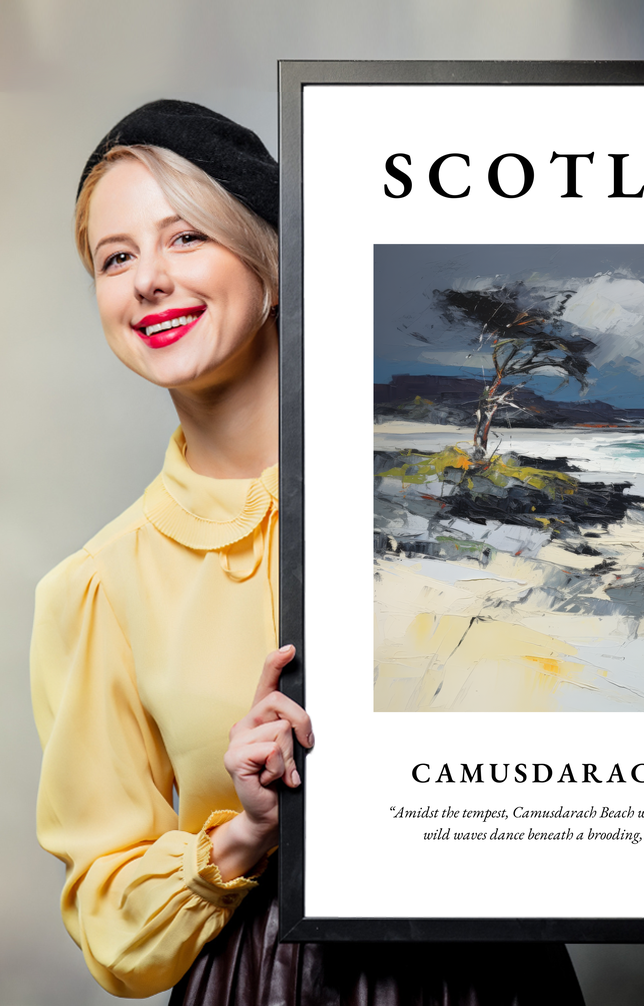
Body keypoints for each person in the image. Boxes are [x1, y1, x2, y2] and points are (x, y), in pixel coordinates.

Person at [30, 100, 585, 1004]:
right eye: (116, 257)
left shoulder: (438, 508)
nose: (148, 281)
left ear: (273, 265)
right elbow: (110, 925)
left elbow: (596, 712)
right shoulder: (97, 586)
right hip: (264, 981)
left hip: (494, 972)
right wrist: (245, 832)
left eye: (186, 239)